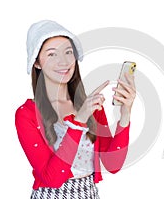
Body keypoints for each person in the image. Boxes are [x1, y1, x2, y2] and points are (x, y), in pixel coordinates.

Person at [15, 20, 136, 199]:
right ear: (37, 63)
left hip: (89, 193)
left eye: (68, 52)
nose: (63, 61)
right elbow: (53, 179)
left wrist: (125, 115)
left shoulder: (90, 106)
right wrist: (79, 121)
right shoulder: (26, 114)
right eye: (51, 54)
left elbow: (113, 165)